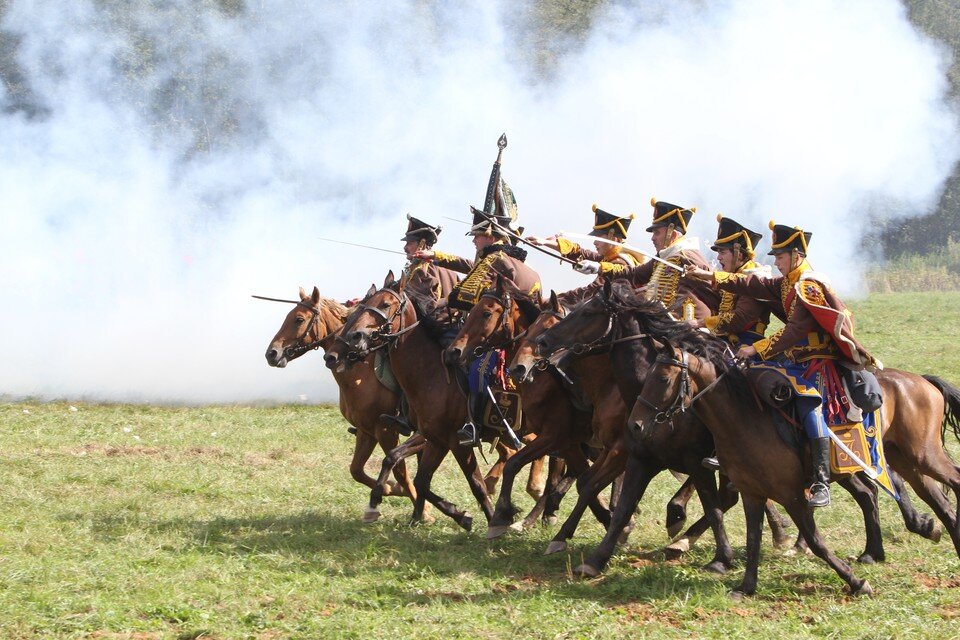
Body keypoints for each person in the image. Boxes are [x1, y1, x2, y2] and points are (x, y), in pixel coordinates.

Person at [685, 220, 881, 507]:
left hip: (818, 361)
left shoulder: (808, 285)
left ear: (796, 256)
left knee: (809, 406)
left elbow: (795, 330)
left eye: (780, 256)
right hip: (795, 358)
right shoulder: (789, 281)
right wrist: (711, 276)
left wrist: (756, 348)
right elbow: (754, 283)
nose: (775, 262)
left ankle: (820, 480)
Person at [377, 215, 463, 436]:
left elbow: (422, 306)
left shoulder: (424, 270)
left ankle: (404, 413)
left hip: (436, 330)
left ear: (422, 244)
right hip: (443, 328)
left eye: (410, 243)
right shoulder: (437, 268)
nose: (405, 247)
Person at [697, 214, 771, 470]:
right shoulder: (731, 277)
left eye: (723, 252)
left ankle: (730, 446)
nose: (718, 257)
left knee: (727, 384)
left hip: (746, 344)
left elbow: (740, 319)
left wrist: (703, 322)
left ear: (739, 253)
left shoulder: (754, 279)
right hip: (722, 341)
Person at [578, 197, 719, 320]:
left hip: (689, 327)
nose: (652, 238)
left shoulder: (688, 256)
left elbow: (712, 292)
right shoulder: (663, 258)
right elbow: (634, 274)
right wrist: (600, 267)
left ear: (672, 234)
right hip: (665, 323)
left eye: (657, 233)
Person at [526, 204, 644, 308]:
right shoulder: (610, 257)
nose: (594, 243)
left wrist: (555, 299)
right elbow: (580, 253)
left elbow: (592, 290)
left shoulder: (619, 262)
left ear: (614, 239)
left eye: (598, 238)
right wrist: (545, 242)